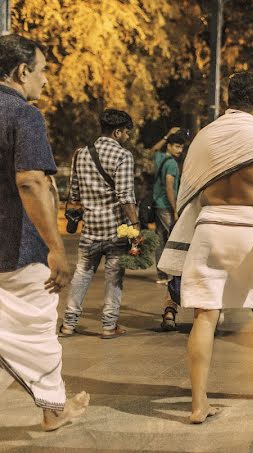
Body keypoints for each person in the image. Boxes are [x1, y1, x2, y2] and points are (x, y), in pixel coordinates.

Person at [157, 72, 253, 423]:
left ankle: (198, 404)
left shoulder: (206, 137)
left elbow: (187, 189)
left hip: (209, 227)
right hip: (249, 229)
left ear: (228, 98)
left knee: (205, 316)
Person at [0, 34, 89, 431]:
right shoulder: (23, 115)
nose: (46, 80)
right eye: (43, 71)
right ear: (22, 72)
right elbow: (32, 182)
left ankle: (54, 405)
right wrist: (57, 247)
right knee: (35, 330)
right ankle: (54, 410)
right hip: (17, 249)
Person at [60, 109, 138, 340]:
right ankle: (108, 325)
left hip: (90, 230)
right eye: (126, 133)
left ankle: (68, 324)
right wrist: (135, 226)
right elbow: (126, 196)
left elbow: (74, 193)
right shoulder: (123, 155)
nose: (127, 137)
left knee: (82, 274)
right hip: (116, 230)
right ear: (117, 132)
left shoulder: (80, 154)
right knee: (114, 277)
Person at [151, 129, 187, 282]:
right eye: (177, 146)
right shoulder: (172, 163)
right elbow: (170, 186)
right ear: (169, 146)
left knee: (160, 239)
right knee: (173, 239)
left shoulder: (160, 158)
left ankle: (162, 275)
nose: (180, 150)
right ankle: (173, 275)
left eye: (181, 147)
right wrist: (175, 208)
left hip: (157, 204)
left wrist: (165, 136)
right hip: (166, 205)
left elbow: (152, 150)